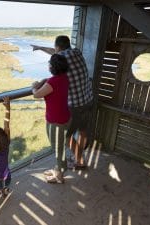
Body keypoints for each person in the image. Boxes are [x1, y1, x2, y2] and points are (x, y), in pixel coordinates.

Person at [31, 35, 93, 169]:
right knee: (82, 130)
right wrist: (41, 48)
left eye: (55, 49)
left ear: (58, 47)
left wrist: (40, 83)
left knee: (66, 136)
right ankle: (78, 155)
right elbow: (57, 53)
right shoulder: (76, 52)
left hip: (75, 105)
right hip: (88, 100)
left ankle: (79, 160)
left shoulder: (62, 58)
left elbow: (56, 55)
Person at [32, 54, 70, 183]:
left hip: (56, 121)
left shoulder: (53, 82)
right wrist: (44, 81)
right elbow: (50, 82)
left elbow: (36, 94)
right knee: (59, 146)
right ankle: (58, 168)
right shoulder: (64, 77)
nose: (48, 65)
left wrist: (34, 86)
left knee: (57, 149)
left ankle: (59, 175)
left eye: (50, 63)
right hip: (64, 117)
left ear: (53, 67)